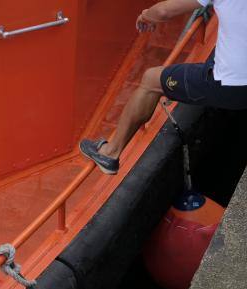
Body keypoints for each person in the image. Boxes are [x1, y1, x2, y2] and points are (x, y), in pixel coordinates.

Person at [80, 0, 247, 175]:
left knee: (151, 79)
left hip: (231, 85)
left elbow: (163, 12)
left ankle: (110, 152)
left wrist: (146, 15)